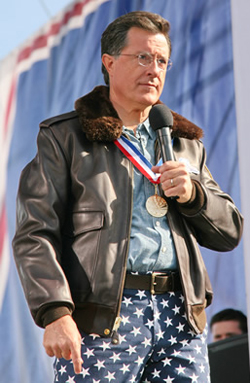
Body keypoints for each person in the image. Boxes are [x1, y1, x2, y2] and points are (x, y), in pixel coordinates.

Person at [12, 11, 243, 383]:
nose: (154, 69)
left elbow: (229, 231)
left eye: (162, 61)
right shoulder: (65, 138)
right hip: (104, 319)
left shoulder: (183, 143)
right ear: (109, 62)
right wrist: (55, 313)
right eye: (142, 57)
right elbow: (34, 233)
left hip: (181, 317)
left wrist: (193, 196)